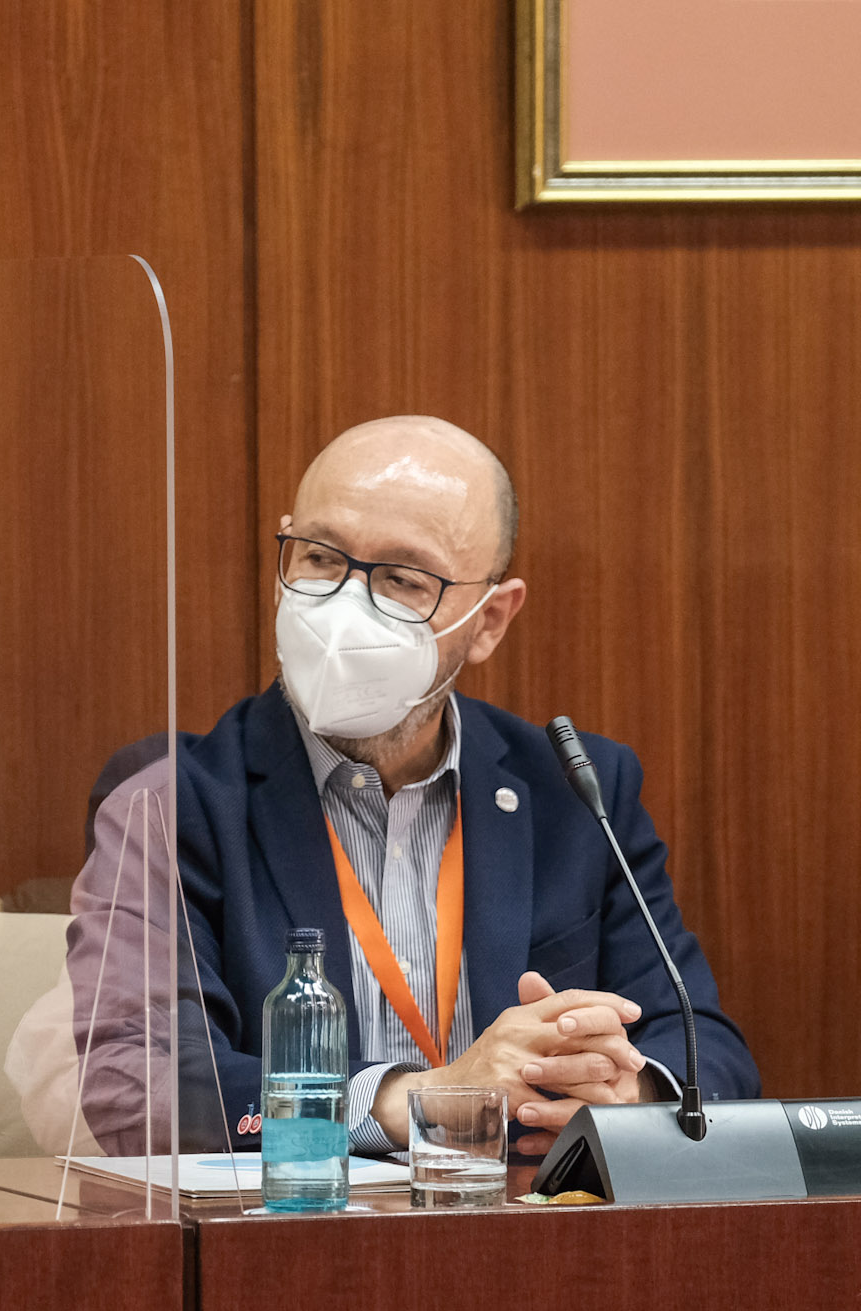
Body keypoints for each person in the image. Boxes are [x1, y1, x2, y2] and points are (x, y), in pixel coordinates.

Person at [53, 416, 757, 1157]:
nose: (343, 608)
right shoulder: (172, 802)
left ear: (489, 620)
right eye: (321, 558)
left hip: (534, 1238)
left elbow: (707, 1049)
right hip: (292, 1247)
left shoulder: (578, 792)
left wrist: (632, 1090)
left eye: (401, 578)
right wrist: (416, 1099)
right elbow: (135, 1083)